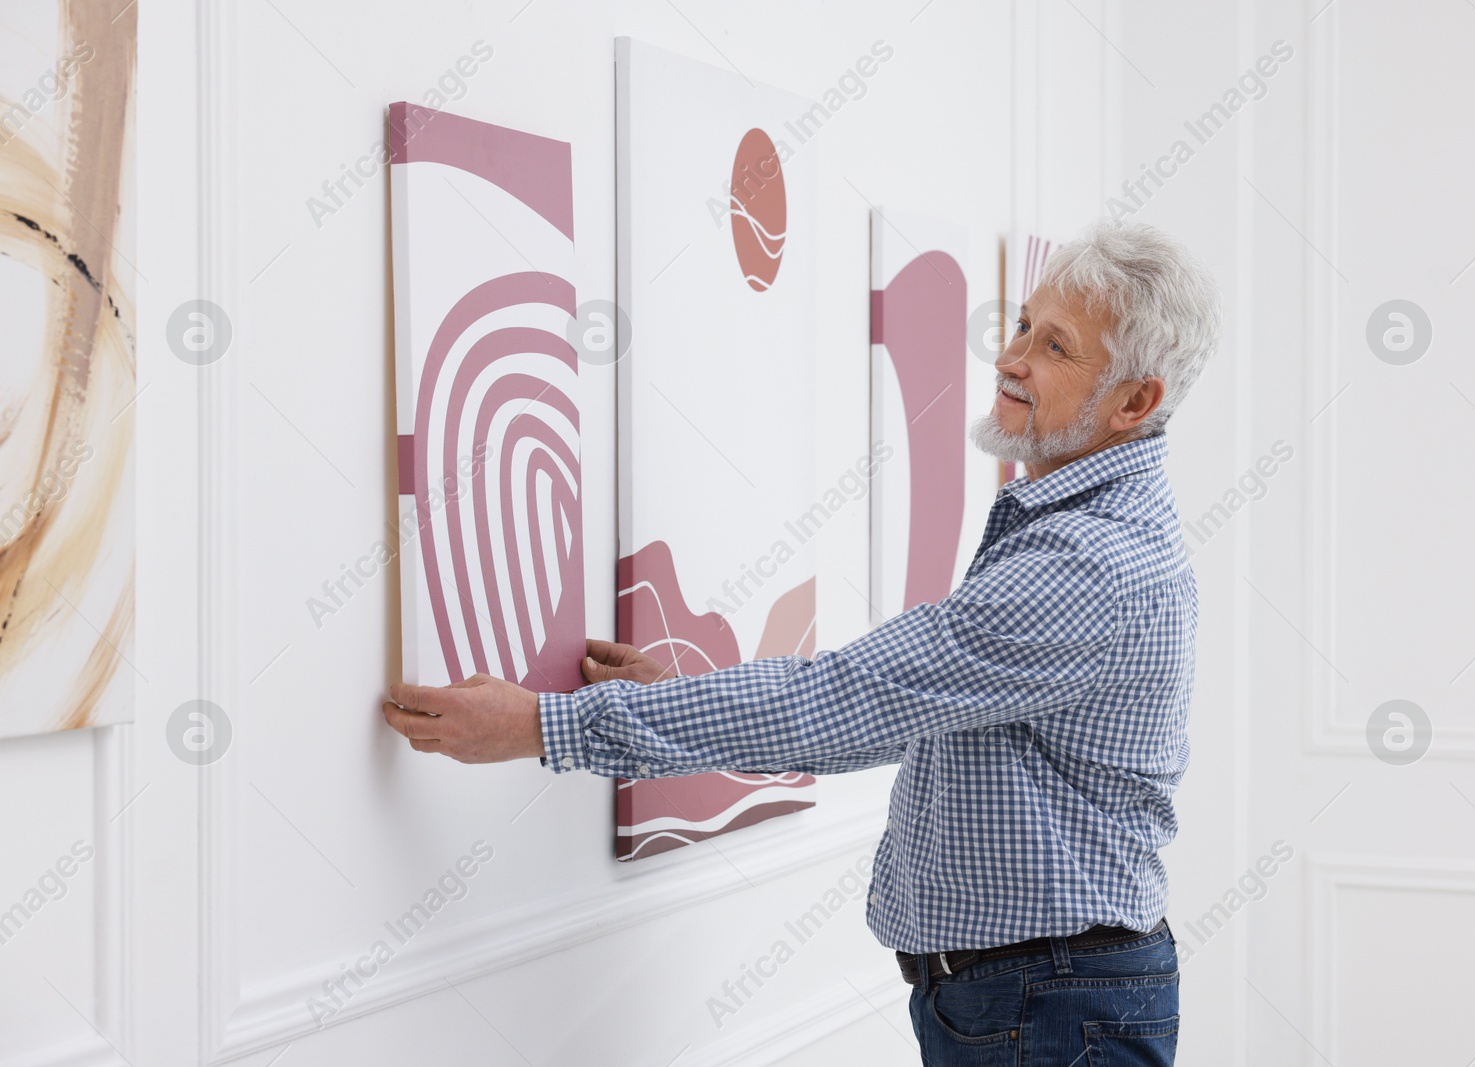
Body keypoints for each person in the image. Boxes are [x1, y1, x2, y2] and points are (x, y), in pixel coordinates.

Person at [382, 218, 1222, 1065]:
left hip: (1046, 1005)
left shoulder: (1084, 565)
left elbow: (851, 699)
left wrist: (545, 724)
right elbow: (920, 705)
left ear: (1134, 401)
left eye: (1055, 346)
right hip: (1038, 996)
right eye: (1021, 325)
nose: (1010, 358)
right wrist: (688, 687)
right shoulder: (1075, 526)